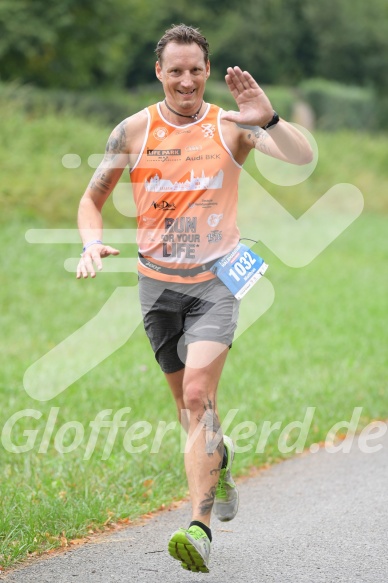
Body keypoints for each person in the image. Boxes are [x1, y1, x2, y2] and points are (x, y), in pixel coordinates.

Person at [76, 24, 313, 573]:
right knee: (187, 408)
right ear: (159, 72)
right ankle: (220, 460)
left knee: (200, 398)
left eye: (196, 69)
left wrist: (271, 118)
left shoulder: (231, 126)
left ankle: (198, 529)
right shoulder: (132, 131)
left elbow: (299, 159)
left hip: (217, 281)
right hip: (155, 285)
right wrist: (91, 241)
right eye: (175, 70)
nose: (187, 80)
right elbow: (92, 201)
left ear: (209, 71)